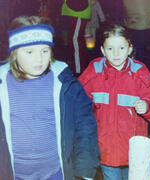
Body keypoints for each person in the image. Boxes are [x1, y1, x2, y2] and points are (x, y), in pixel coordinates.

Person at [0, 16, 100, 180]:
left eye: (44, 50)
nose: (39, 58)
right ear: (14, 53)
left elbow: (85, 124)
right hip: (12, 174)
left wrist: (84, 168)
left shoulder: (65, 82)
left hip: (56, 172)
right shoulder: (2, 83)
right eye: (30, 52)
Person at [79, 24, 150, 180]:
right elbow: (79, 98)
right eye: (110, 49)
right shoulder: (94, 70)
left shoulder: (139, 72)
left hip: (133, 146)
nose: (116, 54)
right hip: (105, 146)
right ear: (102, 50)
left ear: (130, 49)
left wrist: (148, 105)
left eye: (121, 48)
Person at [61, 0, 91, 74]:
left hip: (78, 11)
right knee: (76, 39)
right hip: (73, 10)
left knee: (75, 39)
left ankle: (78, 69)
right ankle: (80, 66)